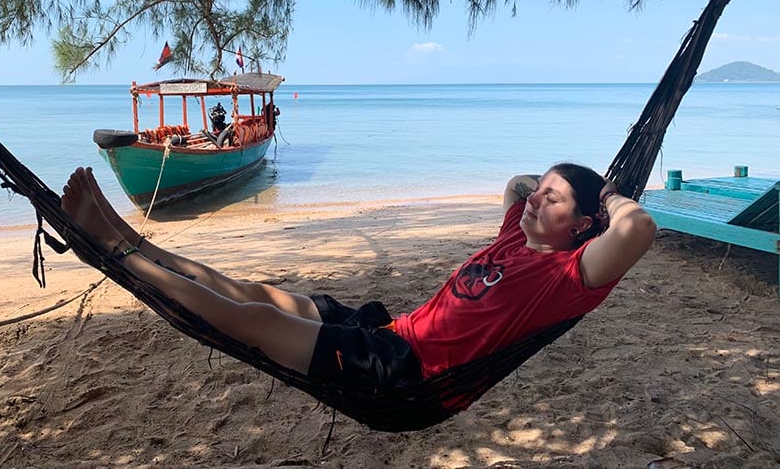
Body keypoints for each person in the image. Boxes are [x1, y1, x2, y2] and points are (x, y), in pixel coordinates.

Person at [61, 163, 655, 391]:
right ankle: (135, 240)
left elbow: (637, 230)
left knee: (257, 322)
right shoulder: (514, 233)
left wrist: (604, 193)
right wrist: (550, 187)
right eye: (542, 194)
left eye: (554, 201)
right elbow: (517, 184)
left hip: (405, 372)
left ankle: (115, 250)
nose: (535, 202)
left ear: (582, 224)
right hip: (385, 329)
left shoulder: (566, 274)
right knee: (255, 293)